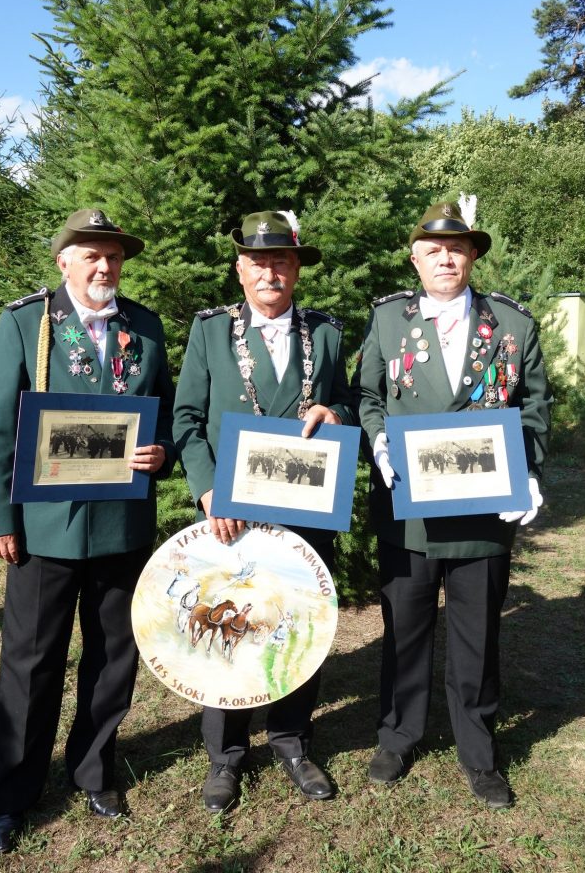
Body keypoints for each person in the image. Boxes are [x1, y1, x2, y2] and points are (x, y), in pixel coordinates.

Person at [0, 208, 176, 853]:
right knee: (31, 661)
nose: (103, 266)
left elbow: (166, 416)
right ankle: (15, 792)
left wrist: (162, 453)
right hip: (44, 529)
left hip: (120, 523)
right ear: (63, 260)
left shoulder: (144, 328)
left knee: (113, 655)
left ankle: (93, 769)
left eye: (113, 255)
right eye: (90, 254)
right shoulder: (26, 324)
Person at [354, 199, 552, 809]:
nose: (446, 258)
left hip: (483, 514)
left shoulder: (513, 325)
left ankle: (478, 749)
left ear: (473, 256)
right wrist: (380, 442)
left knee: (477, 634)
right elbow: (367, 394)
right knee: (405, 630)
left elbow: (536, 408)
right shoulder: (388, 320)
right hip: (409, 509)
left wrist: (530, 472)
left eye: (457, 249)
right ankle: (399, 734)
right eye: (433, 250)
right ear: (416, 260)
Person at [173, 210, 355, 813]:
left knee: (299, 622)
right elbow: (187, 421)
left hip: (306, 512)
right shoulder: (210, 332)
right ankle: (226, 756)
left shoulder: (326, 333)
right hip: (232, 517)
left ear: (296, 268)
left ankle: (292, 740)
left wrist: (335, 414)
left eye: (281, 260)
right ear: (240, 269)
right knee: (229, 627)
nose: (269, 271)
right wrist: (207, 490)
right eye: (258, 261)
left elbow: (350, 405)